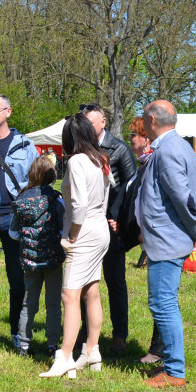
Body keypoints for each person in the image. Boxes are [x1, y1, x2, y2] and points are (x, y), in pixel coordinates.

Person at [136, 101, 196, 388]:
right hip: (168, 237)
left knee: (163, 303)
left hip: (167, 239)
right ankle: (172, 366)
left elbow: (184, 198)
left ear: (152, 120)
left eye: (143, 119)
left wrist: (195, 231)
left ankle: (174, 371)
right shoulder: (179, 146)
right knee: (165, 302)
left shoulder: (168, 150)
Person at [40, 115, 111, 379]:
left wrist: (72, 234)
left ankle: (65, 356)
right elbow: (104, 198)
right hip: (99, 228)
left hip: (84, 231)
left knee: (69, 296)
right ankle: (92, 349)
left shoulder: (77, 160)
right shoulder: (99, 158)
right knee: (91, 290)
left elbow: (79, 204)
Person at [0, 93, 38, 350]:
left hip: (14, 218)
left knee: (16, 279)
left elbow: (37, 179)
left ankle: (17, 332)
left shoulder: (25, 145)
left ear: (8, 112)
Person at [80, 103, 137, 356]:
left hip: (111, 225)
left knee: (115, 280)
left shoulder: (119, 149)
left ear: (103, 122)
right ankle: (84, 331)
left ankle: (119, 335)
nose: (85, 129)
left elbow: (131, 188)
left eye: (90, 124)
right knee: (83, 282)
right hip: (86, 224)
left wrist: (119, 218)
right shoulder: (78, 147)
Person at [110, 117, 157, 362]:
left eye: (133, 137)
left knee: (162, 300)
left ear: (145, 138)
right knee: (158, 298)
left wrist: (141, 228)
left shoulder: (152, 163)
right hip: (138, 234)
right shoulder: (143, 164)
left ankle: (160, 353)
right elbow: (128, 191)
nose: (131, 141)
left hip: (157, 238)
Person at [10, 156, 65, 358]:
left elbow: (13, 233)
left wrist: (28, 240)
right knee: (53, 303)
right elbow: (63, 228)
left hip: (29, 261)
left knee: (28, 303)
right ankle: (52, 344)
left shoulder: (21, 199)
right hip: (53, 260)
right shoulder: (57, 200)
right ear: (51, 176)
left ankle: (24, 344)